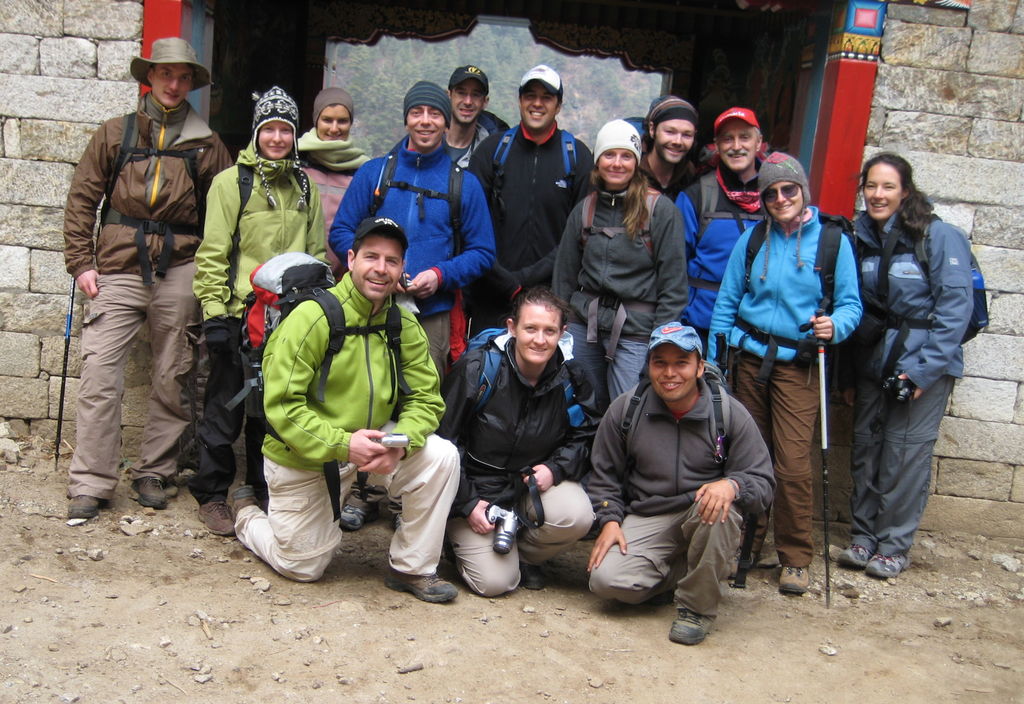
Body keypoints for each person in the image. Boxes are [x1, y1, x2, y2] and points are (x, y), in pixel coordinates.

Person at [231, 216, 461, 603]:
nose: (381, 268)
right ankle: (248, 516)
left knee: (442, 456)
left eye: (392, 260)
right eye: (371, 256)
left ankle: (412, 568)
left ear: (403, 268)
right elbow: (282, 408)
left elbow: (426, 399)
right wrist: (342, 445)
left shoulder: (401, 322)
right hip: (308, 455)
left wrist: (400, 444)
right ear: (351, 259)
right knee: (302, 566)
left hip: (370, 446)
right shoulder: (312, 317)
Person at [62, 37, 232, 520]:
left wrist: (211, 275)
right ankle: (92, 480)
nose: (174, 84)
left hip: (181, 268)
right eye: (165, 75)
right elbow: (82, 199)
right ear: (150, 77)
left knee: (173, 373)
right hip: (116, 268)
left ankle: (154, 470)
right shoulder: (115, 134)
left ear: (191, 84)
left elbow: (223, 212)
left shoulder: (206, 144)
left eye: (183, 77)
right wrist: (82, 262)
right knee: (99, 373)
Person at [708, 152, 862, 595]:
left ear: (803, 191)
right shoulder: (754, 239)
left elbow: (851, 305)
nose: (779, 198)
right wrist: (717, 361)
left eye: (788, 189)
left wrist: (836, 327)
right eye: (770, 192)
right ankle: (745, 544)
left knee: (792, 464)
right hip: (747, 358)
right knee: (746, 459)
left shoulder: (833, 243)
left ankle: (795, 556)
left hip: (799, 364)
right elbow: (727, 301)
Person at [190, 86, 326, 535]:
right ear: (256, 131)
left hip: (289, 318)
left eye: (285, 129)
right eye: (268, 128)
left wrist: (312, 309)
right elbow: (213, 252)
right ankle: (212, 493)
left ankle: (262, 488)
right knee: (225, 405)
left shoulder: (305, 186)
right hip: (238, 313)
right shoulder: (232, 183)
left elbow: (316, 253)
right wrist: (214, 313)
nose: (277, 138)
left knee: (273, 406)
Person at [587, 324, 774, 645]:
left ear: (700, 367)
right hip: (649, 515)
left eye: (681, 362)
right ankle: (694, 573)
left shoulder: (728, 412)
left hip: (704, 514)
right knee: (607, 582)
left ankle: (696, 609)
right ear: (648, 366)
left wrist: (733, 485)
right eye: (660, 362)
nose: (670, 373)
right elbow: (604, 474)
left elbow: (763, 483)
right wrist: (609, 519)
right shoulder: (626, 409)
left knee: (719, 509)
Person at [838, 153, 973, 579]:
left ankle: (894, 545)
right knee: (865, 449)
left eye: (888, 187)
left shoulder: (937, 237)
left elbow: (956, 309)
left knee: (904, 454)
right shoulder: (859, 238)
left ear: (906, 191)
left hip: (921, 363)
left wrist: (923, 372)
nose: (878, 195)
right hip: (873, 361)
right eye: (871, 186)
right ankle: (863, 537)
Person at [438, 287, 599, 596]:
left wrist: (555, 468)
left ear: (562, 333)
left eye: (550, 331)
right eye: (531, 328)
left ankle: (522, 555)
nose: (540, 339)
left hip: (528, 486)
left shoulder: (572, 378)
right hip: (474, 489)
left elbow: (586, 435)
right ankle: (458, 541)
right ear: (512, 328)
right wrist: (468, 502)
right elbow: (444, 442)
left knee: (578, 516)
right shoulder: (478, 369)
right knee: (496, 583)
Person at [330, 80, 496, 376]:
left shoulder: (463, 184)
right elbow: (341, 232)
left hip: (432, 312)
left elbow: (482, 251)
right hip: (367, 307)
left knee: (422, 395)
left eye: (434, 114)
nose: (425, 121)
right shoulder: (374, 173)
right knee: (359, 386)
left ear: (446, 122)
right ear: (406, 119)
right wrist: (374, 270)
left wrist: (440, 276)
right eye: (417, 112)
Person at [552, 119, 687, 411]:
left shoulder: (660, 211)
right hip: (583, 323)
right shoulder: (585, 210)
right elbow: (563, 276)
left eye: (626, 156)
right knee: (579, 404)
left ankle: (617, 458)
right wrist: (559, 326)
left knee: (627, 412)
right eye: (609, 155)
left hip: (637, 330)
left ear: (637, 162)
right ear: (598, 161)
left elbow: (673, 286)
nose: (617, 163)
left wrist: (659, 341)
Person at [467, 65, 594, 332]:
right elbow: (471, 224)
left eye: (546, 97)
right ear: (520, 100)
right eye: (530, 96)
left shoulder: (577, 157)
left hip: (550, 298)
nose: (537, 104)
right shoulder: (492, 151)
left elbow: (579, 235)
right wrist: (504, 281)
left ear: (558, 105)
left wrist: (525, 279)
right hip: (491, 294)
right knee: (487, 370)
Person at [676, 107, 766, 347]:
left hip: (756, 327)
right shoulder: (697, 196)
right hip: (701, 324)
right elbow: (674, 264)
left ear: (759, 142)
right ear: (717, 144)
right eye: (728, 138)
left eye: (744, 137)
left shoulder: (777, 196)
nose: (736, 146)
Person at [298, 86, 370, 277]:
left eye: (342, 121)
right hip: (297, 274)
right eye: (327, 120)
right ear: (316, 121)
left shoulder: (364, 171)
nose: (334, 128)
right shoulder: (295, 161)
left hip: (345, 276)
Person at [444, 65, 507, 168]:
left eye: (475, 95)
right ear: (449, 95)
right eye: (461, 93)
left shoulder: (496, 152)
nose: (468, 102)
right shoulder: (427, 140)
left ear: (485, 102)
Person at [639, 95, 699, 200]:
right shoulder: (633, 172)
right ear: (652, 129)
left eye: (686, 135)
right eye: (670, 132)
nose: (678, 141)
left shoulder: (691, 176)